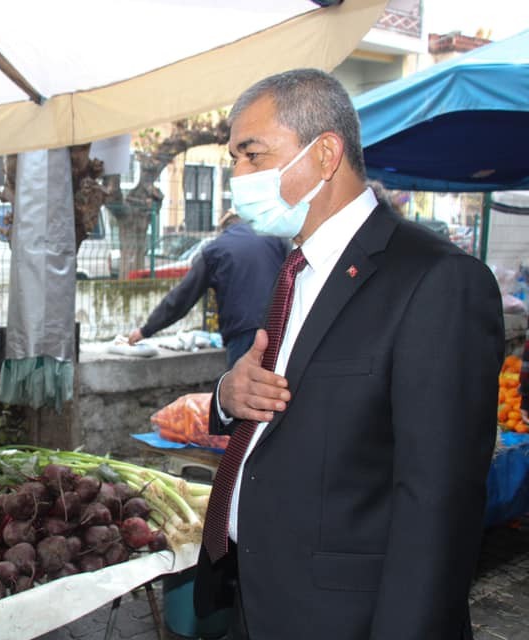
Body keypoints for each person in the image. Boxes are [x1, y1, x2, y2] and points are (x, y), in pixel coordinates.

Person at [193, 69, 504, 639]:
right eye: (233, 158)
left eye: (252, 154)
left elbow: (439, 500)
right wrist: (227, 396)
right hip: (257, 599)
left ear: (326, 153)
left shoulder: (437, 280)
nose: (237, 176)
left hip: (343, 617)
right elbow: (296, 403)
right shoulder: (295, 269)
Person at [127, 211, 286, 367]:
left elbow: (183, 296)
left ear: (224, 228)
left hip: (242, 333)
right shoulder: (274, 239)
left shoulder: (217, 249)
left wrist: (146, 330)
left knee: (242, 389)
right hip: (280, 328)